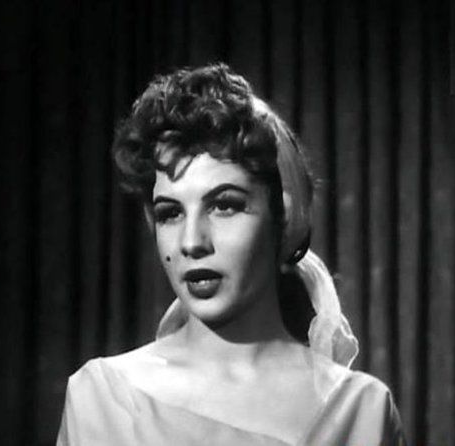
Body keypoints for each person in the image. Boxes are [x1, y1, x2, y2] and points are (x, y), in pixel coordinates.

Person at [56, 63, 406, 445]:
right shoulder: (101, 399)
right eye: (170, 213)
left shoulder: (363, 411)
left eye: (224, 206)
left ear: (283, 217)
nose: (192, 242)